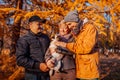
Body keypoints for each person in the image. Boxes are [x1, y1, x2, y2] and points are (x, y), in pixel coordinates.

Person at [55, 10, 100, 80]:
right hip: (80, 70)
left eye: (70, 24)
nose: (69, 27)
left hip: (90, 72)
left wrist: (66, 45)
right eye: (67, 25)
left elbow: (86, 48)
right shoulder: (77, 31)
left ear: (75, 20)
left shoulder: (90, 28)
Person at [16, 15, 50, 80]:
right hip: (32, 75)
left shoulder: (45, 37)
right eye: (38, 24)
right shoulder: (24, 39)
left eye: (41, 24)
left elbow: (50, 52)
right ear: (30, 25)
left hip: (46, 74)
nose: (41, 26)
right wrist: (38, 65)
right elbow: (20, 60)